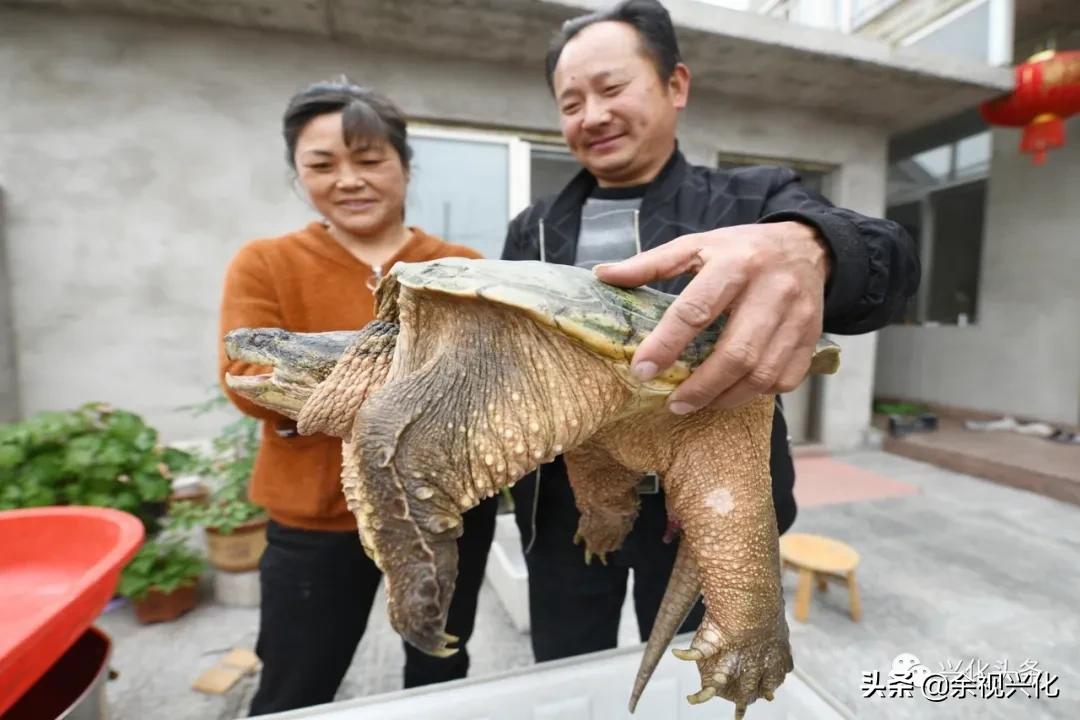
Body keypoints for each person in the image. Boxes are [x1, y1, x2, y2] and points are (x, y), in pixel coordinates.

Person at [500, 0, 919, 663]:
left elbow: (890, 259)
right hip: (564, 511)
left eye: (611, 88)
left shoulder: (755, 201)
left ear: (676, 85)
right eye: (570, 101)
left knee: (695, 679)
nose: (592, 115)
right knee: (567, 668)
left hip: (705, 513)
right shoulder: (534, 226)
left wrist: (815, 247)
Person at [218, 79, 498, 715]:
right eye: (322, 164)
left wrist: (322, 400)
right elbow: (247, 377)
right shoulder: (265, 262)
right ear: (298, 173)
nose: (349, 180)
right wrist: (419, 387)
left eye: (370, 160)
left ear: (404, 165)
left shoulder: (460, 264)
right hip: (316, 523)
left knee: (441, 664)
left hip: (445, 513)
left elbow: (487, 380)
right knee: (296, 682)